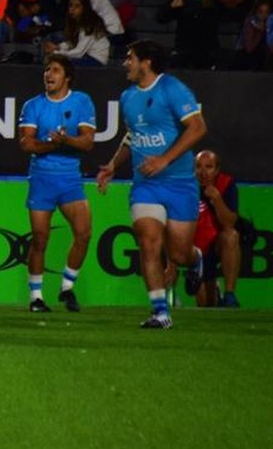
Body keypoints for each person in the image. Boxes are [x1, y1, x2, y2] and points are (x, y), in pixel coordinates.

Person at [96, 40, 208, 329]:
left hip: (180, 183)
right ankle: (160, 312)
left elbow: (198, 128)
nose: (125, 63)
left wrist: (165, 160)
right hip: (146, 184)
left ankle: (196, 259)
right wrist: (112, 165)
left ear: (146, 62)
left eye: (130, 58)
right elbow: (132, 136)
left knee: (179, 252)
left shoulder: (173, 89)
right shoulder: (127, 97)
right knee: (148, 243)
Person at [17, 54, 96, 313]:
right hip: (41, 178)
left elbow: (87, 143)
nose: (48, 74)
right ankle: (36, 297)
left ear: (67, 77)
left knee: (83, 233)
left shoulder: (82, 101)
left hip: (70, 179)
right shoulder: (33, 105)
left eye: (55, 70)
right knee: (40, 239)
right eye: (47, 70)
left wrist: (66, 141)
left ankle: (67, 287)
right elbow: (26, 143)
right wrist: (53, 144)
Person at [188, 151, 242, 307]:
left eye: (209, 167)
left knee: (231, 236)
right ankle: (213, 290)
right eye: (198, 166)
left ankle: (230, 294)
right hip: (193, 248)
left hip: (216, 244)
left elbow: (229, 223)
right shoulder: (186, 186)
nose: (203, 172)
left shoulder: (226, 184)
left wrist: (217, 199)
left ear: (217, 170)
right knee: (205, 305)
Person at [42, 0, 110, 66]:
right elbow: (73, 43)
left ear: (84, 8)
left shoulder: (89, 25)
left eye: (77, 6)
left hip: (96, 60)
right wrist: (58, 47)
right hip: (86, 56)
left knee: (62, 64)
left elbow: (79, 52)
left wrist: (56, 53)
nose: (72, 9)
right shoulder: (76, 24)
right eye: (71, 5)